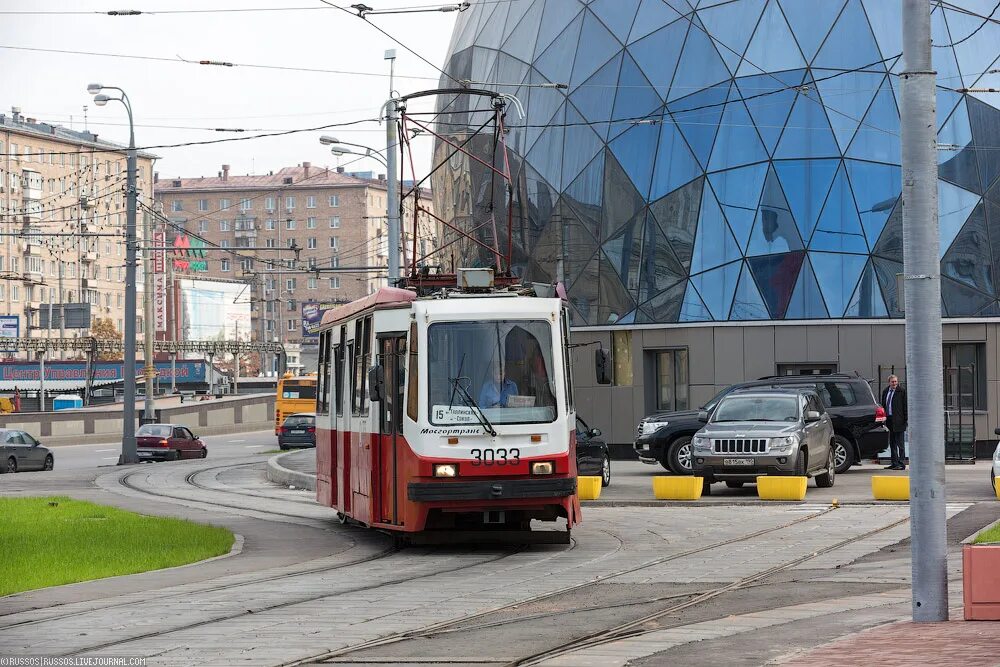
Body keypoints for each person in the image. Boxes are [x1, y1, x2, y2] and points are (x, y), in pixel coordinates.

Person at [880, 375, 908, 470]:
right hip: (889, 420)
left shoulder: (902, 391)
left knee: (900, 443)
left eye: (895, 381)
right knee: (892, 443)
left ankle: (901, 463)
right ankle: (894, 462)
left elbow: (905, 406)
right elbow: (883, 405)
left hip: (899, 420)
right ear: (889, 382)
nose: (894, 383)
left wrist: (905, 420)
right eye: (892, 382)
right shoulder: (885, 391)